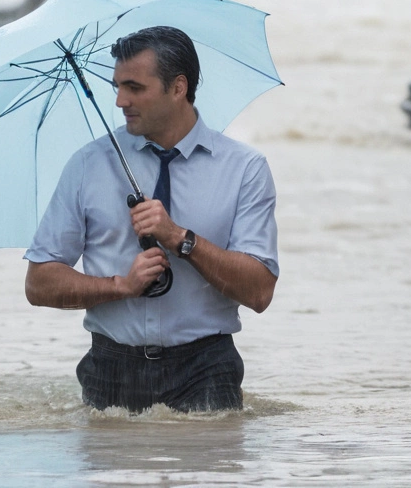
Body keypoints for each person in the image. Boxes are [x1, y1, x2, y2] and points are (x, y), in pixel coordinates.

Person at [23, 26, 279, 413]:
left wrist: (179, 238)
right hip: (108, 367)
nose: (121, 101)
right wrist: (119, 286)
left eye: (135, 87)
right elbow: (39, 283)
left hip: (206, 367)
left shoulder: (245, 169)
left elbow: (259, 292)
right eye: (117, 87)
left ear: (178, 87)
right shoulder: (88, 164)